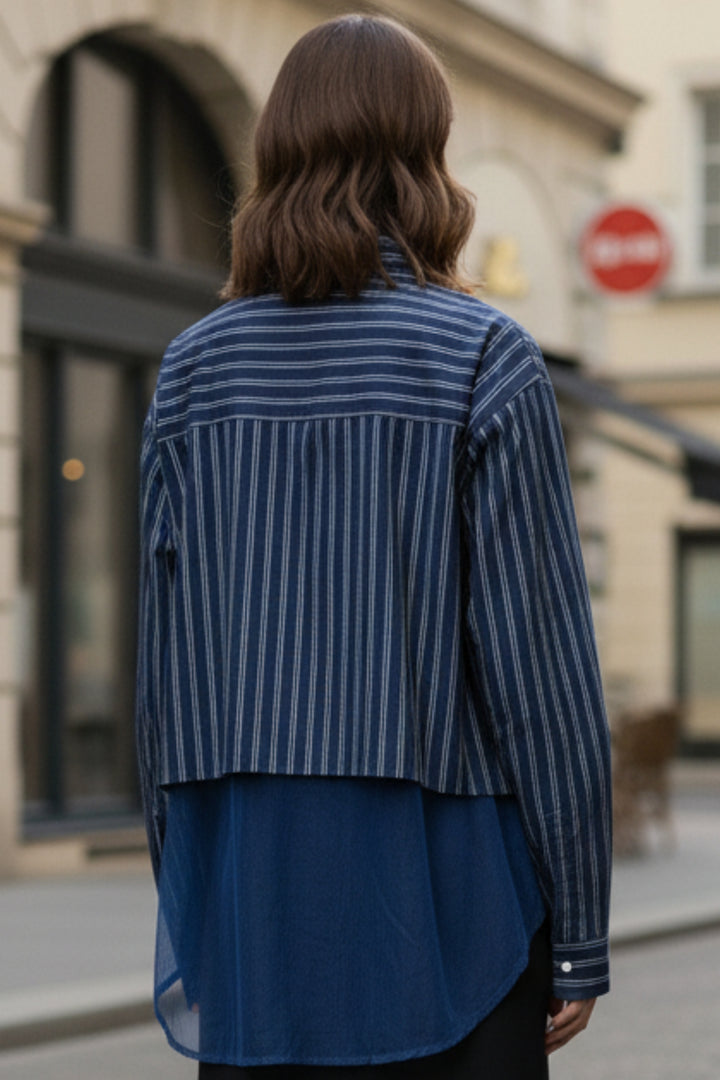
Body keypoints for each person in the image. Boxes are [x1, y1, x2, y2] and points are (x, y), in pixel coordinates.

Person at [135, 14, 612, 1080]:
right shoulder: (484, 356)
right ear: (428, 153)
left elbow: (164, 676)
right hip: (450, 903)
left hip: (256, 891)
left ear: (276, 152)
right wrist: (580, 929)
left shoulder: (191, 372)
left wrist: (193, 892)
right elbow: (542, 677)